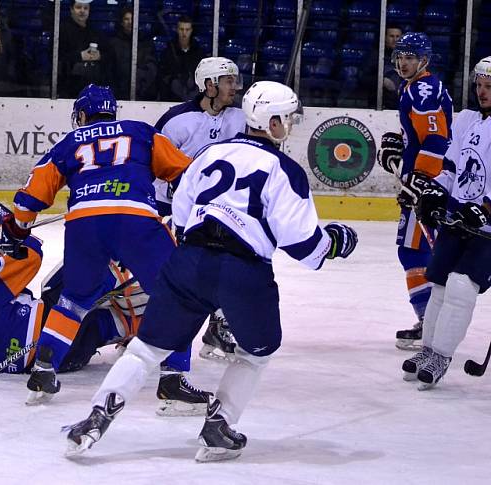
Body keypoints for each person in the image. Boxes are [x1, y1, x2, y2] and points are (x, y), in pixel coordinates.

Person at [63, 81, 359, 461]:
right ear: (272, 123)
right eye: (287, 119)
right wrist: (335, 241)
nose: (290, 126)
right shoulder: (285, 169)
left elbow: (182, 217)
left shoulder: (210, 153)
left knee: (145, 349)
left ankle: (95, 417)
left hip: (189, 263)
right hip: (244, 272)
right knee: (256, 352)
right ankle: (219, 425)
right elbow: (305, 248)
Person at [9, 84, 213, 412]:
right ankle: (173, 380)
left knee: (73, 302)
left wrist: (18, 228)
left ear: (82, 115)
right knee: (178, 294)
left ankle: (44, 370)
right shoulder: (141, 132)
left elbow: (28, 200)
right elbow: (187, 172)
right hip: (136, 218)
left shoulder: (67, 143)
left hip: (83, 223)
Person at [0, 220, 145, 376]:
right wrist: (15, 233)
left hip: (58, 361)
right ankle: (150, 269)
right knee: (84, 262)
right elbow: (31, 256)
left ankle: (139, 326)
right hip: (53, 331)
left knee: (107, 324)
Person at [400, 57, 491, 390]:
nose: (482, 92)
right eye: (479, 85)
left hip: (487, 231)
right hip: (458, 220)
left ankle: (441, 355)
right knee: (438, 282)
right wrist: (435, 191)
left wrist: (486, 209)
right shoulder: (468, 120)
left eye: (489, 87)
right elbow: (452, 167)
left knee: (461, 287)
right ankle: (427, 350)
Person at [153, 57, 246, 363]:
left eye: (235, 80)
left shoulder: (240, 118)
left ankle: (218, 326)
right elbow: (152, 164)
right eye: (228, 81)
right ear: (209, 85)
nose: (234, 86)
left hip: (215, 211)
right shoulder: (176, 120)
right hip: (171, 208)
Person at [376, 32, 453, 351]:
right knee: (419, 251)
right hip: (427, 178)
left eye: (411, 56)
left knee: (415, 251)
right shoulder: (416, 87)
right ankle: (431, 319)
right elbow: (422, 135)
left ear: (424, 60)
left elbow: (436, 139)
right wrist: (400, 146)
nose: (404, 62)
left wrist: (419, 180)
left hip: (428, 182)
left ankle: (429, 322)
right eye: (401, 56)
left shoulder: (422, 89)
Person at [57, 1, 110, 98]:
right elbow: (57, 57)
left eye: (85, 8)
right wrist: (80, 56)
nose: (82, 11)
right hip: (68, 88)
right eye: (78, 7)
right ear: (71, 9)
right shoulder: (62, 30)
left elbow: (110, 55)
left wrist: (99, 56)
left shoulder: (94, 32)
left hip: (92, 86)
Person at [109, 6, 157, 101]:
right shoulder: (114, 43)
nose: (130, 22)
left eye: (132, 19)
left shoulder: (146, 43)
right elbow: (111, 70)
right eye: (126, 19)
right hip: (119, 92)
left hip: (141, 93)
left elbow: (150, 68)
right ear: (121, 22)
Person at [158, 16, 204, 102]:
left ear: (191, 30)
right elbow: (163, 76)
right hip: (171, 98)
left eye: (187, 30)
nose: (184, 33)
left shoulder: (198, 53)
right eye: (181, 29)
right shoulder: (168, 52)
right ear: (177, 30)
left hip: (194, 98)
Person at [382, 26, 403, 110]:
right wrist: (381, 81)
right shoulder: (376, 55)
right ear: (385, 38)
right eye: (391, 36)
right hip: (382, 106)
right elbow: (363, 78)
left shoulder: (411, 57)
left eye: (397, 36)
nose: (395, 40)